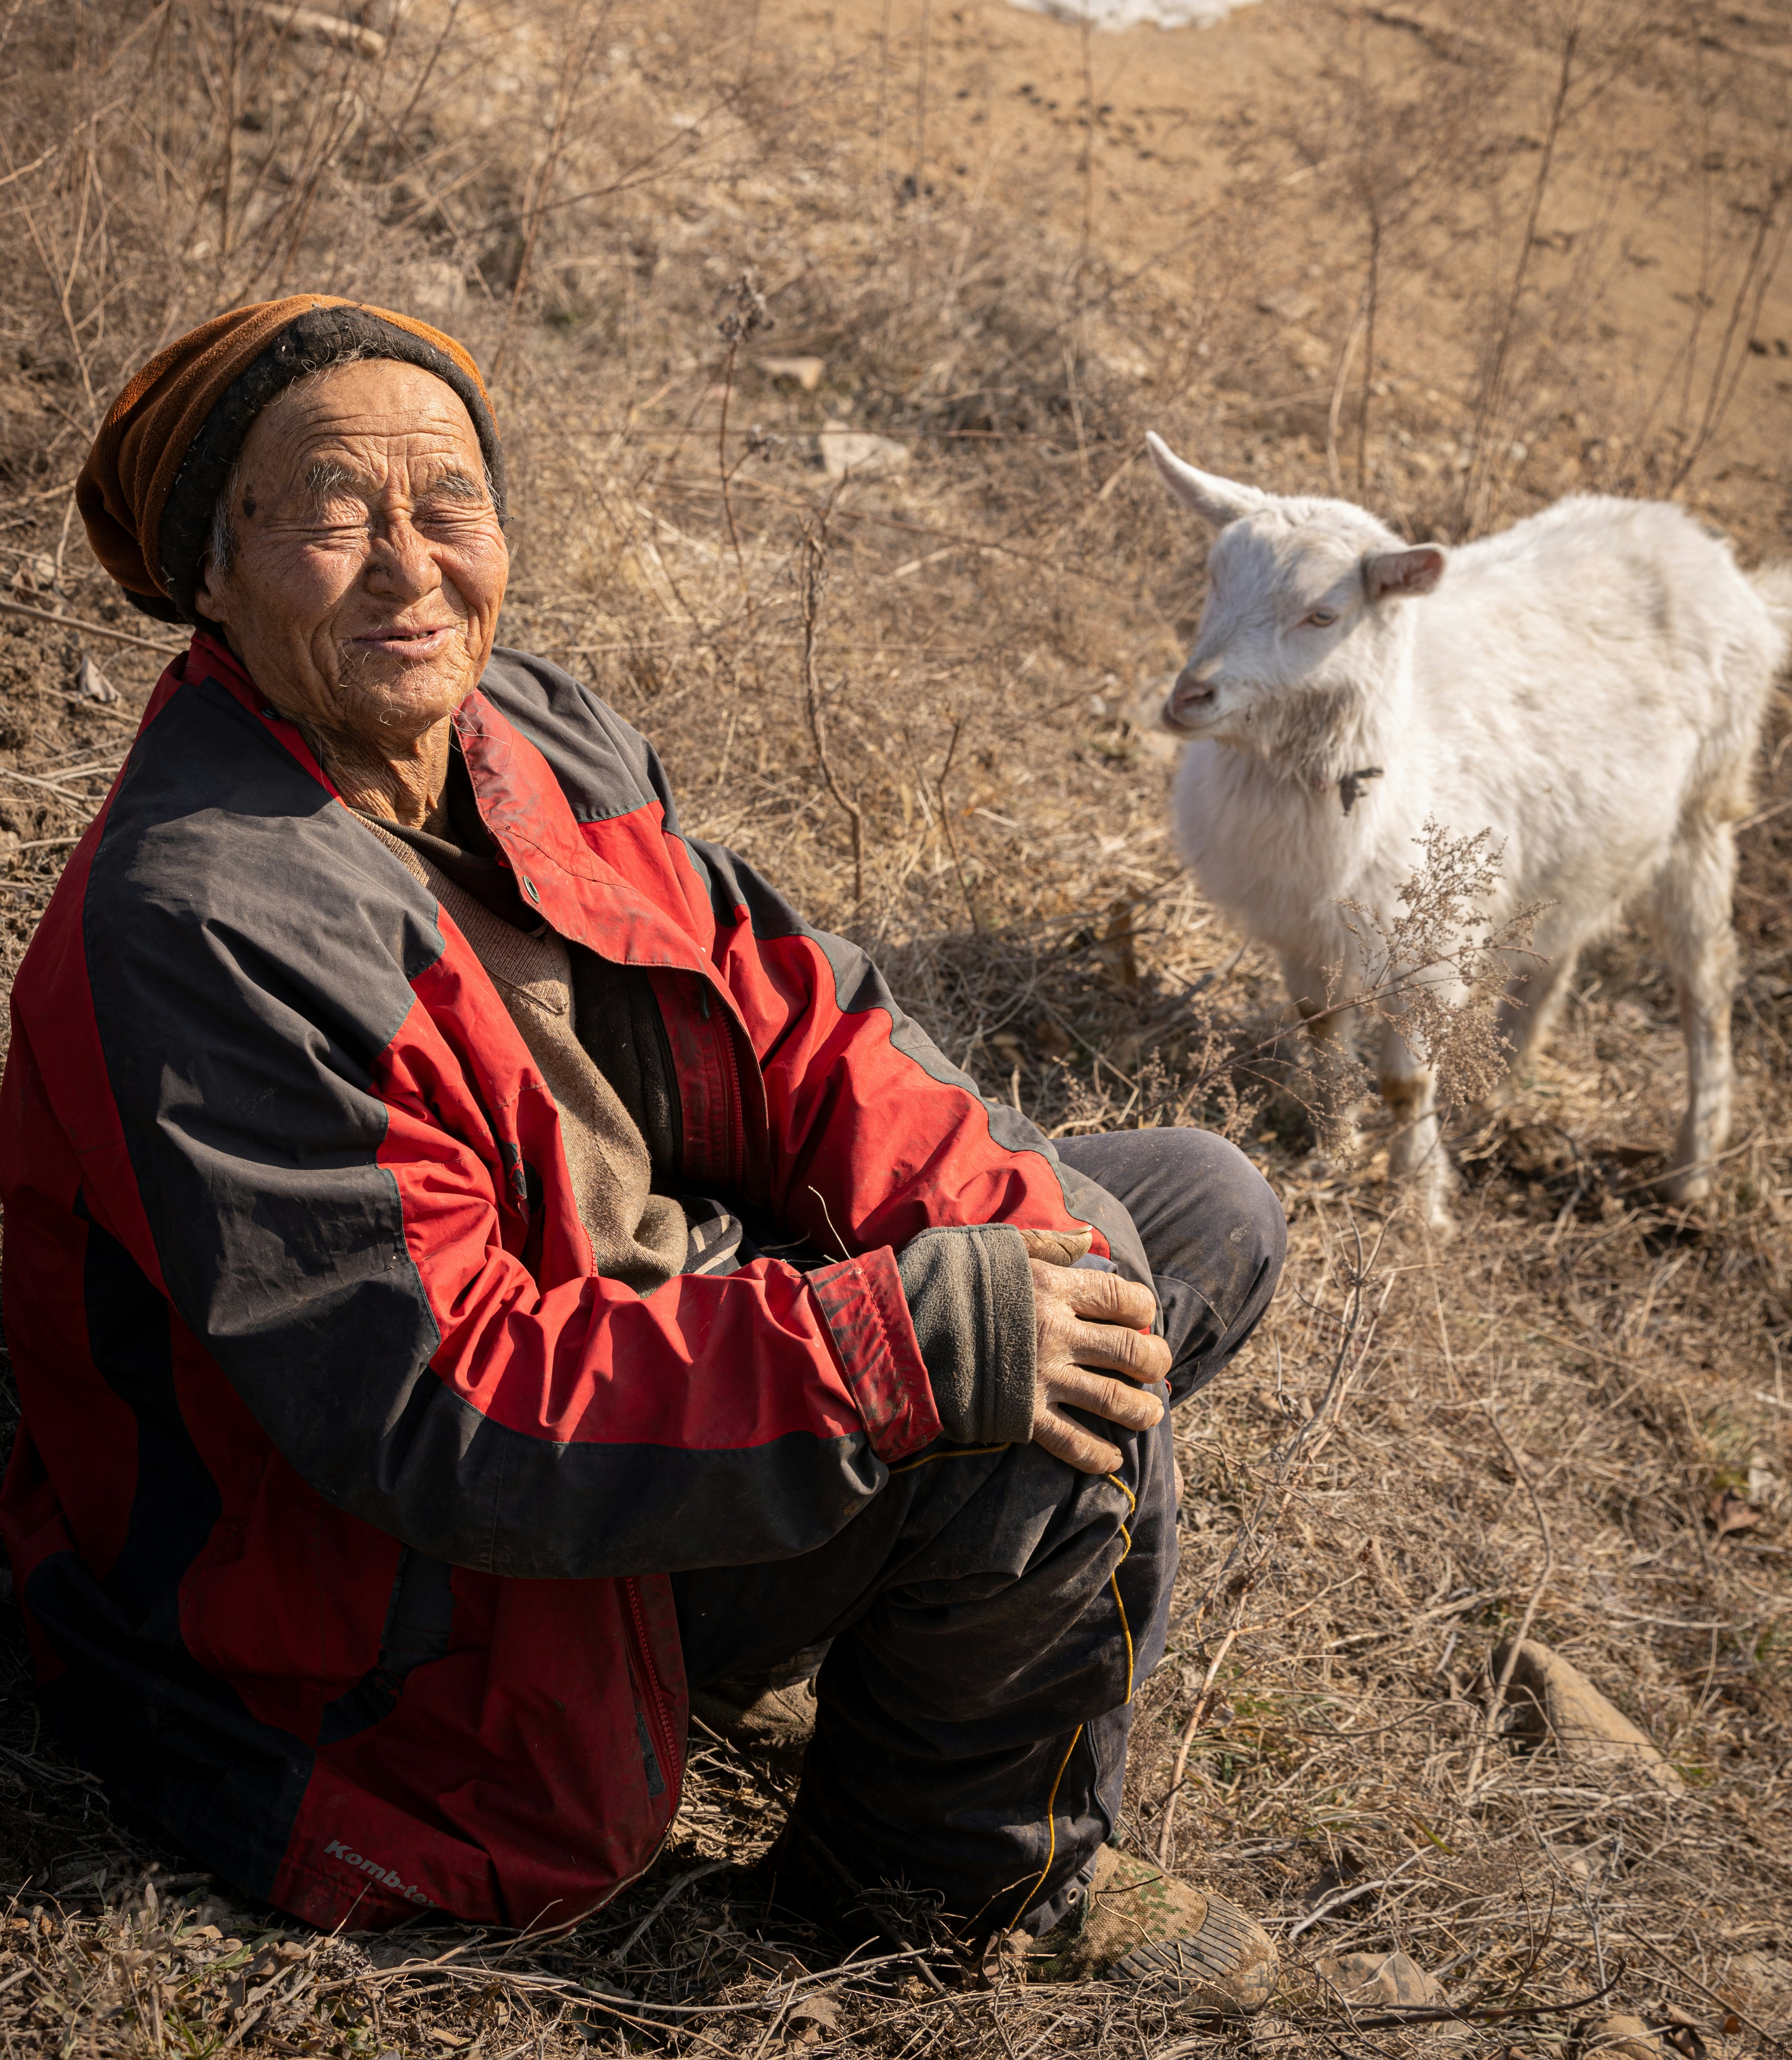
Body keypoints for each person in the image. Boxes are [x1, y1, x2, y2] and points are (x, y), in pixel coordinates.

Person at [0, 297, 1286, 1999]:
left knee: (1174, 1217)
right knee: (1020, 1421)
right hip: (396, 1600)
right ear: (208, 578)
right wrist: (904, 1351)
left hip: (652, 1363)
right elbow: (433, 1403)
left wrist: (1015, 1232)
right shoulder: (205, 913)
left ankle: (887, 1659)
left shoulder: (524, 734)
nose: (406, 567)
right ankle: (923, 1899)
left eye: (444, 502)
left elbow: (794, 1026)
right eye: (328, 513)